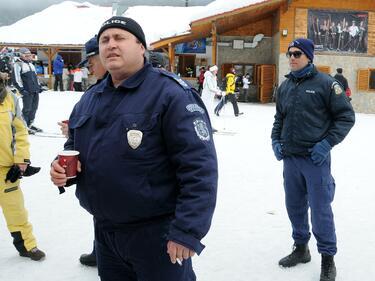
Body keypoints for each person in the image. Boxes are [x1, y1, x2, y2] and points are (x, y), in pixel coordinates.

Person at [50, 16, 218, 281]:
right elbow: (74, 145)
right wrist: (60, 169)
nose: (111, 45)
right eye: (105, 40)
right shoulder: (91, 98)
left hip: (157, 235)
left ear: (141, 47)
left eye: (120, 38)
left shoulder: (170, 94)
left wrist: (187, 232)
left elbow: (199, 168)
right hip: (106, 234)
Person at [271, 38, 355, 281]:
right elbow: (279, 118)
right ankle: (301, 248)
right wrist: (276, 141)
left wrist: (326, 144)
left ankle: (327, 259)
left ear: (309, 56)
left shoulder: (326, 85)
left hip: (315, 160)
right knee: (294, 206)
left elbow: (346, 117)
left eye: (297, 53)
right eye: (289, 54)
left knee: (320, 210)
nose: (292, 58)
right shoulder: (286, 86)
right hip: (291, 159)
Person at [58, 35, 108, 267]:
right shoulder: (93, 93)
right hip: (98, 185)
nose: (89, 66)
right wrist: (74, 132)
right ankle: (100, 250)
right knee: (103, 215)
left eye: (91, 60)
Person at [0, 72, 45, 261]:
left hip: (5, 169)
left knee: (16, 210)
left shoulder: (10, 98)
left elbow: (20, 130)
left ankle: (27, 245)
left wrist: (22, 159)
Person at [12, 47, 43, 134]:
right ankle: (23, 126)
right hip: (26, 91)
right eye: (26, 56)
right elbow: (16, 79)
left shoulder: (31, 65)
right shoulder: (18, 65)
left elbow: (35, 78)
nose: (29, 57)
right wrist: (21, 90)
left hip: (34, 90)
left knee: (34, 108)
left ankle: (29, 124)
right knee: (27, 109)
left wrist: (39, 86)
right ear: (22, 56)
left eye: (30, 55)